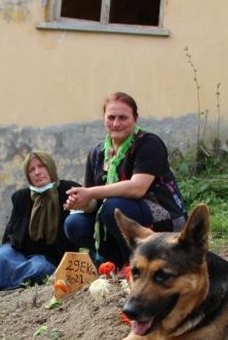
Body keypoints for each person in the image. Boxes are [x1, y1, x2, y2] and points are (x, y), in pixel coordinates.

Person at [63, 92, 188, 268]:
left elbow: (138, 188)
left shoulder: (148, 143)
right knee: (74, 224)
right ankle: (119, 262)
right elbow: (93, 203)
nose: (116, 123)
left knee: (114, 207)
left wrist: (90, 192)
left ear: (135, 118)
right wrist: (81, 202)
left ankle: (136, 262)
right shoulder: (97, 153)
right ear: (104, 119)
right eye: (111, 117)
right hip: (115, 217)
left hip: (161, 214)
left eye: (123, 117)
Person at [0, 151, 80, 295]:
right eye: (32, 170)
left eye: (41, 166)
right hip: (21, 253)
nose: (37, 172)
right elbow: (10, 232)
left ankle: (5, 285)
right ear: (28, 176)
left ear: (50, 167)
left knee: (40, 268)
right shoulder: (21, 197)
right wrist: (7, 249)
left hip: (48, 258)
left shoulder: (68, 190)